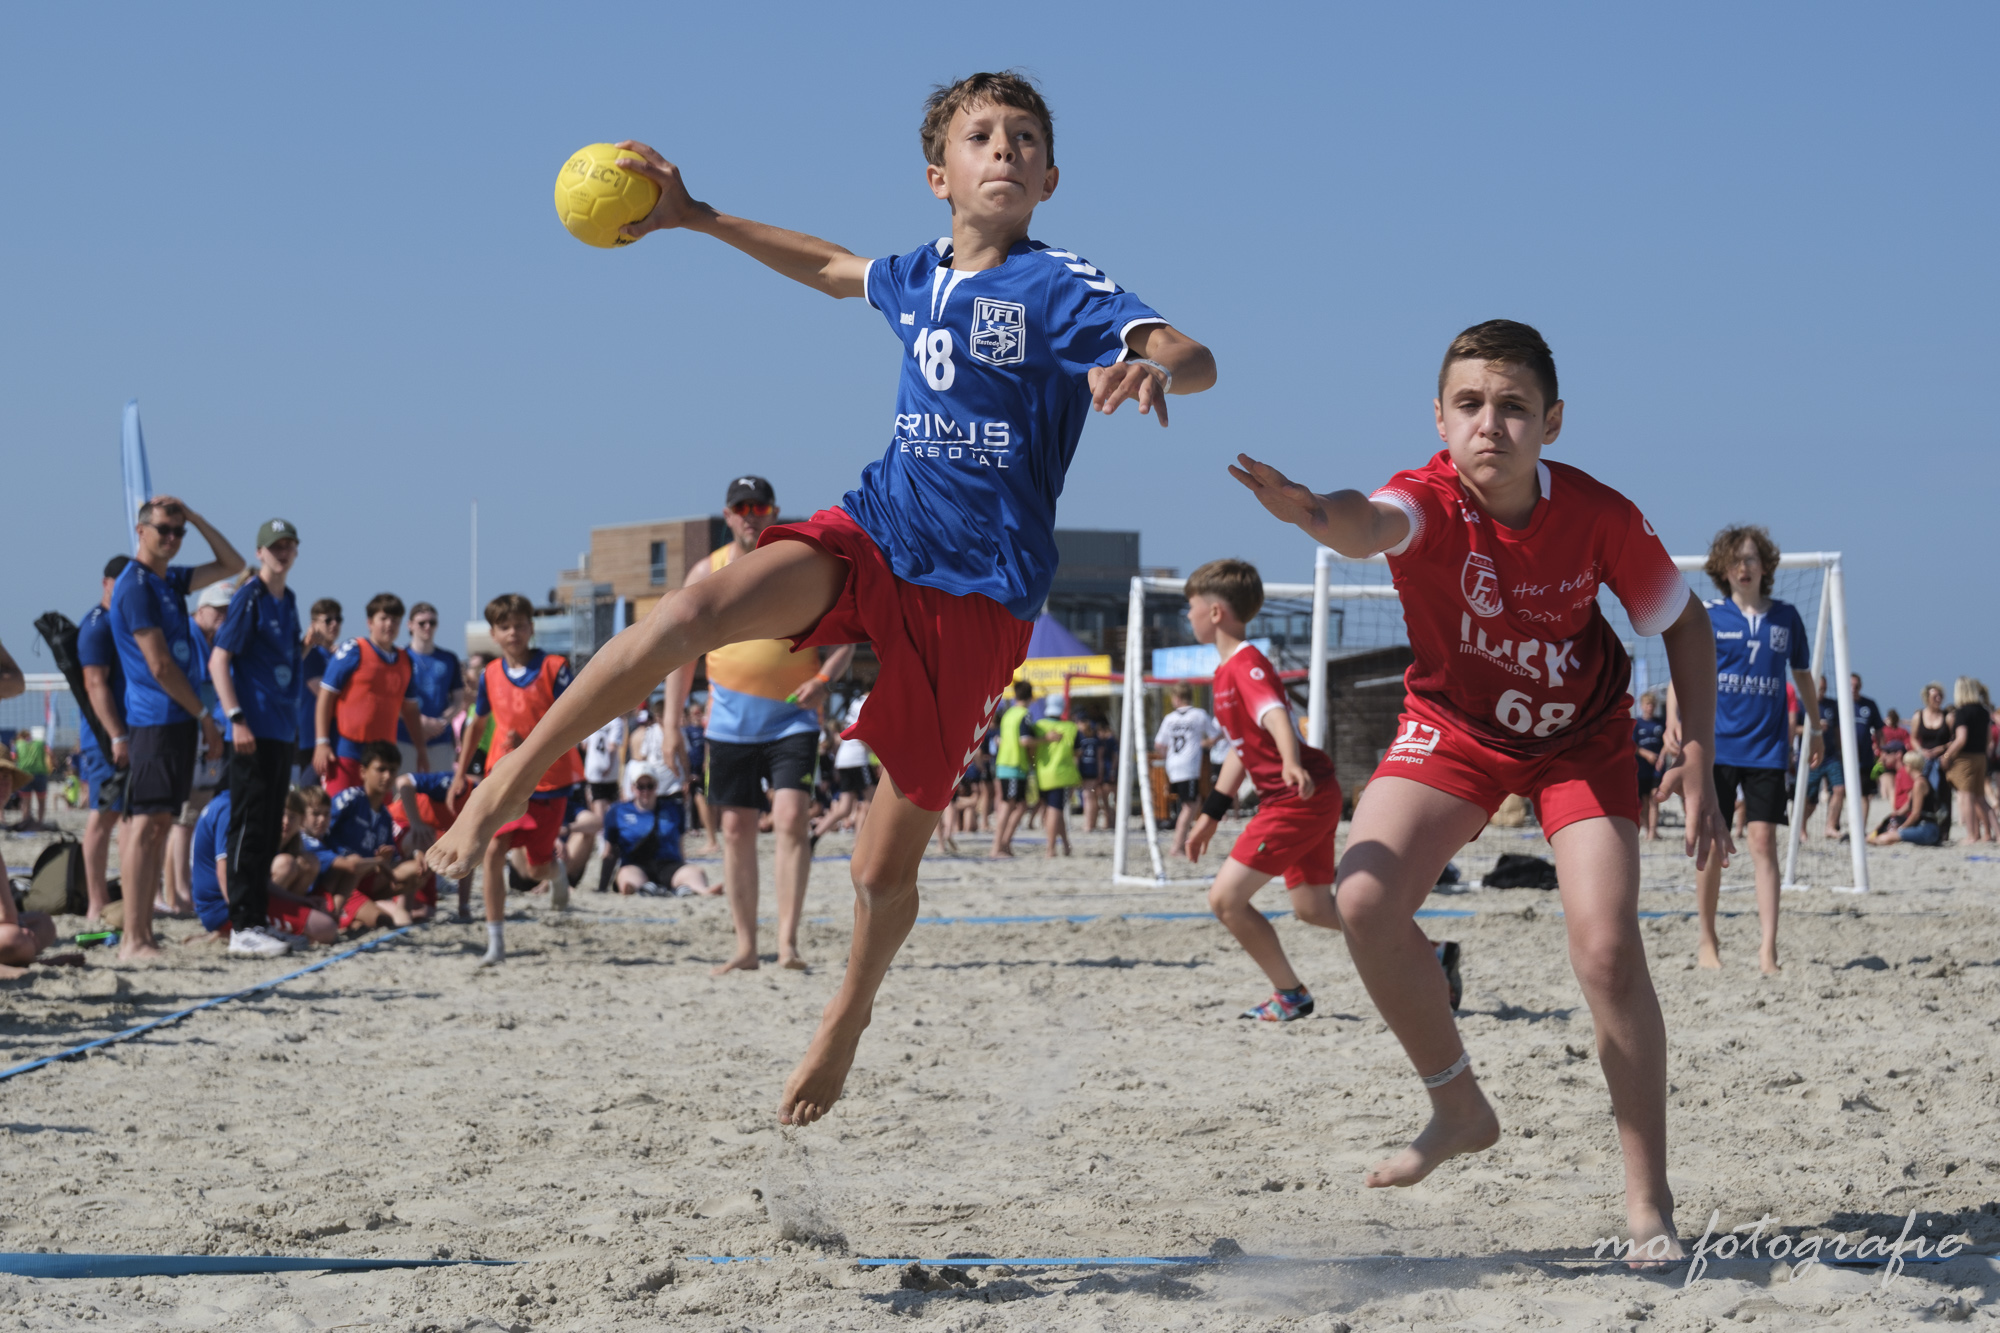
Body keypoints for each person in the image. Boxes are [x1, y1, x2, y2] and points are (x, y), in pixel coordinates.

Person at [430, 71, 1214, 1128]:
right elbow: (831, 267)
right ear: (939, 176)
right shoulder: (916, 273)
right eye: (982, 136)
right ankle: (505, 782)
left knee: (886, 868)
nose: (1006, 151)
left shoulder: (1056, 285)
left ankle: (848, 1008)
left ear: (1049, 177)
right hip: (876, 531)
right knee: (686, 614)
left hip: (979, 594)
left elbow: (1188, 352)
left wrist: (1152, 364)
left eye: (1025, 139)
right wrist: (698, 219)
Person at [1230, 319, 1725, 1260]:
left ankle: (1647, 1200)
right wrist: (1308, 511)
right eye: (1469, 405)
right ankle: (1456, 1104)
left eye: (1512, 407)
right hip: (1456, 732)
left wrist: (1695, 749)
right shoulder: (1425, 499)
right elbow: (1364, 522)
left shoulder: (1599, 516)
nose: (1488, 424)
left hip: (1580, 740)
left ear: (1552, 423)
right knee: (1363, 899)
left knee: (1608, 948)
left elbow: (1686, 625)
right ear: (1440, 417)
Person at [661, 475, 857, 975]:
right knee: (734, 827)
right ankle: (746, 947)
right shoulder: (707, 571)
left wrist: (822, 679)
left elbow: (846, 640)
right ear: (727, 516)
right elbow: (681, 655)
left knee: (792, 818)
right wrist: (669, 726)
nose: (750, 514)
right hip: (729, 720)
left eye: (759, 505)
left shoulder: (795, 561)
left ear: (773, 512)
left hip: (792, 715)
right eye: (740, 507)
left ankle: (788, 944)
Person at [1672, 525, 1818, 975]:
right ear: (1723, 568)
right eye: (1736, 559)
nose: (1744, 566)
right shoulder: (1711, 616)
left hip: (1768, 749)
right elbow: (1685, 670)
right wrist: (1673, 722)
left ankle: (1767, 950)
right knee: (1712, 848)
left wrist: (1818, 723)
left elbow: (1802, 676)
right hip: (1715, 748)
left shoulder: (1787, 618)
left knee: (1763, 842)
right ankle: (1707, 941)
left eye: (1752, 558)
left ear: (1765, 566)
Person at [108, 495, 245, 961]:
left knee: (161, 825)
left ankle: (143, 933)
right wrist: (206, 718)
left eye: (177, 532)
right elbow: (160, 665)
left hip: (175, 718)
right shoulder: (137, 585)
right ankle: (133, 938)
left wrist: (196, 517)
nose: (171, 538)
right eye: (163, 529)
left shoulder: (169, 580)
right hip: (155, 719)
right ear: (140, 529)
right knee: (144, 827)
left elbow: (233, 562)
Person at [447, 594, 586, 965]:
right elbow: (477, 725)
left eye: (520, 624)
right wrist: (460, 774)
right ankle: (496, 941)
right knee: (492, 850)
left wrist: (531, 745)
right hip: (503, 779)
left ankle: (556, 876)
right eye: (505, 626)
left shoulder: (555, 667)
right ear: (493, 633)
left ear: (531, 627)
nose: (513, 632)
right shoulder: (490, 674)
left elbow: (573, 718)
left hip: (549, 778)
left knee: (536, 865)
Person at [210, 519, 305, 956]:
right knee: (247, 825)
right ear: (260, 552)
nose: (282, 552)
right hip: (252, 729)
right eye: (274, 546)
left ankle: (258, 919)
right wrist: (236, 717)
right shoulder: (250, 596)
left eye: (288, 545)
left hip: (281, 729)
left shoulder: (289, 601)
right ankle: (242, 924)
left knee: (270, 829)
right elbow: (219, 661)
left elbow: (281, 662)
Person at [163, 578, 237, 919]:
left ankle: (179, 889)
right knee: (182, 818)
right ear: (202, 609)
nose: (224, 616)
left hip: (203, 734)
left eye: (228, 611)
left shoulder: (207, 640)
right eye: (219, 610)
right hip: (188, 734)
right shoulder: (189, 637)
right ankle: (175, 892)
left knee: (187, 817)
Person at [315, 594, 425, 795]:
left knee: (378, 817)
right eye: (383, 618)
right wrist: (322, 742)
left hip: (383, 756)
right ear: (370, 622)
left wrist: (421, 750)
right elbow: (325, 695)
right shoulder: (353, 650)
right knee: (339, 810)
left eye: (394, 619)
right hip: (345, 750)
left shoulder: (405, 661)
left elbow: (410, 710)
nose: (389, 624)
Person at [77, 556, 133, 924]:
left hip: (127, 736)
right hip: (105, 739)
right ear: (107, 583)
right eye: (120, 582)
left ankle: (129, 895)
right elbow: (94, 684)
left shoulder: (122, 622)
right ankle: (95, 901)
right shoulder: (98, 625)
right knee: (102, 818)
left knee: (129, 817)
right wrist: (116, 735)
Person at [323, 742, 425, 929]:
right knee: (384, 922)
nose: (387, 776)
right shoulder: (349, 800)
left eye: (392, 770)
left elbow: (389, 860)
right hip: (339, 880)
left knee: (419, 870)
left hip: (365, 879)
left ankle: (358, 913)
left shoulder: (385, 816)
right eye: (381, 769)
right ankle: (346, 913)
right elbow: (320, 836)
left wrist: (387, 860)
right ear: (363, 772)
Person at [602, 771, 716, 896]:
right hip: (636, 865)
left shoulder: (673, 809)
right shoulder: (618, 811)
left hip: (669, 864)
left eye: (650, 786)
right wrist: (602, 886)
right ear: (632, 788)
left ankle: (698, 889)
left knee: (695, 872)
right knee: (625, 875)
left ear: (656, 787)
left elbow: (679, 845)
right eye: (641, 786)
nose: (645, 791)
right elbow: (609, 852)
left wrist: (683, 865)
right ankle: (645, 888)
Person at [1155, 683, 1225, 857]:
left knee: (1190, 802)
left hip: (1173, 764)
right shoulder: (1198, 715)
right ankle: (1178, 845)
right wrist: (1203, 744)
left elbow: (1159, 744)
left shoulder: (1170, 718)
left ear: (1177, 698)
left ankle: (1183, 840)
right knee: (1190, 805)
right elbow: (1216, 735)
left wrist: (1168, 756)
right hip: (1189, 764)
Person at [399, 603, 464, 779]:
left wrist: (442, 721)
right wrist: (420, 721)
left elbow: (459, 698)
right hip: (405, 739)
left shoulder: (449, 658)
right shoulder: (400, 657)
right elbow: (393, 699)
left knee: (439, 797)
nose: (427, 627)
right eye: (422, 623)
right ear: (410, 625)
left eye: (432, 622)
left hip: (440, 740)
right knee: (402, 797)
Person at [293, 599, 342, 787]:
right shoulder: (310, 655)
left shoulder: (340, 655)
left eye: (338, 619)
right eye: (328, 620)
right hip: (312, 739)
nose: (334, 624)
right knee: (311, 793)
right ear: (313, 625)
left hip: (336, 736)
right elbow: (322, 693)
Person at [813, 692, 873, 838]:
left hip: (844, 758)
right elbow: (863, 736)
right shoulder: (870, 702)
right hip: (857, 758)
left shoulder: (856, 702)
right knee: (871, 804)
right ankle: (858, 843)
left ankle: (815, 835)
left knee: (844, 808)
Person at [988, 681, 1037, 858]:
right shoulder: (1024, 714)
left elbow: (999, 740)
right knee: (1008, 806)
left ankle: (1005, 843)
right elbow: (1024, 740)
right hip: (1014, 764)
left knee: (1020, 805)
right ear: (1031, 696)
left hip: (1004, 763)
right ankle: (997, 847)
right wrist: (1046, 739)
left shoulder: (1008, 714)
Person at [1943, 677, 1994, 843]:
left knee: (1966, 797)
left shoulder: (1962, 712)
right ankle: (1994, 833)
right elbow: (1988, 738)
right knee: (1981, 798)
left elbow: (1961, 738)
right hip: (1981, 756)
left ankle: (1972, 834)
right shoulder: (1984, 711)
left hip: (1965, 758)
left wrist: (1947, 755)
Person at [1798, 673, 1848, 841]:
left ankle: (1830, 826)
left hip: (1831, 756)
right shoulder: (1801, 704)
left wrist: (1843, 752)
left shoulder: (1832, 705)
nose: (1822, 692)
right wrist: (1814, 727)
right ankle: (1801, 828)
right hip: (1810, 757)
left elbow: (1837, 731)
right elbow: (1792, 728)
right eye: (1820, 688)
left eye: (1824, 688)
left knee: (1839, 789)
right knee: (1809, 799)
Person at [1032, 698, 1080, 857]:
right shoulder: (1071, 728)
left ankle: (1066, 845)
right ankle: (1050, 848)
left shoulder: (1039, 726)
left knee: (1053, 811)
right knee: (1055, 811)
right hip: (1061, 775)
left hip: (1042, 773)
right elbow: (1078, 752)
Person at [1870, 750, 1947, 846]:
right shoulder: (1922, 781)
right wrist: (1891, 818)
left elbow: (1915, 814)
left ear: (1910, 766)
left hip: (1926, 829)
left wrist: (1900, 829)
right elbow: (1907, 807)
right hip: (1928, 827)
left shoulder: (1919, 784)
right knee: (1879, 835)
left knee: (1883, 838)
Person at [1633, 693, 1666, 841]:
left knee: (1655, 798)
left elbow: (1667, 742)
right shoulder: (1636, 724)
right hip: (1640, 769)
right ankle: (1647, 829)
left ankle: (1653, 831)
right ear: (1641, 706)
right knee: (1643, 802)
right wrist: (1646, 754)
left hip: (1657, 769)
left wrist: (1662, 757)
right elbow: (1632, 745)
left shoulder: (1661, 723)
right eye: (1647, 704)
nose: (1650, 707)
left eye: (1652, 705)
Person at [1911, 682, 1953, 793]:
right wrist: (1921, 751)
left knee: (1943, 792)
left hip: (1943, 760)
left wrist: (1942, 749)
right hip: (1924, 760)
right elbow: (1913, 738)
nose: (1938, 699)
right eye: (1935, 697)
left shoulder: (1947, 716)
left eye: (1940, 696)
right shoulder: (1918, 716)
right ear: (1927, 698)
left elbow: (1954, 739)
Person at [11, 725, 49, 829]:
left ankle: (26, 822)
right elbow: (50, 754)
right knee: (41, 801)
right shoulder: (40, 743)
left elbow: (13, 758)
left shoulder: (18, 744)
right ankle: (40, 823)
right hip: (40, 773)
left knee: (25, 801)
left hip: (25, 774)